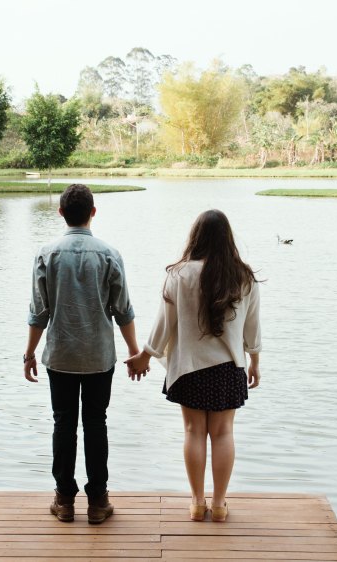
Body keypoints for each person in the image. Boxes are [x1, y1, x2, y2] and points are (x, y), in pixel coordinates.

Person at [125, 209, 261, 522]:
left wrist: (146, 355)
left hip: (189, 368)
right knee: (224, 433)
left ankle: (198, 503)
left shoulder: (179, 274)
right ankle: (220, 503)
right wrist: (254, 360)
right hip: (230, 367)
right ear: (228, 239)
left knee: (193, 432)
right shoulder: (244, 276)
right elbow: (253, 326)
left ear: (195, 237)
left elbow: (164, 323)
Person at [24, 183, 142, 524]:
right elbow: (123, 310)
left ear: (61, 213)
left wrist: (29, 353)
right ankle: (98, 501)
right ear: (93, 212)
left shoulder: (47, 254)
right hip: (98, 356)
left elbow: (38, 312)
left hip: (59, 355)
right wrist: (134, 351)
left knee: (63, 423)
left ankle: (63, 500)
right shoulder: (109, 254)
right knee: (96, 423)